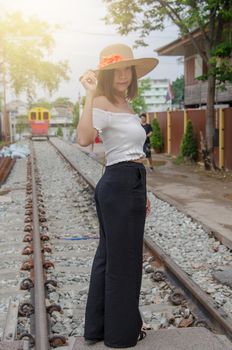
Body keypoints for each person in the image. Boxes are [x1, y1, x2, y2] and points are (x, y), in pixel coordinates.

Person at [77, 43, 158, 348]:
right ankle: (121, 335)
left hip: (130, 181)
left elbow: (133, 152)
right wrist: (88, 95)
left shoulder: (124, 102)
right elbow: (84, 139)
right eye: (117, 70)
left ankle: (96, 329)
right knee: (124, 261)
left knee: (109, 257)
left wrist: (144, 190)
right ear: (107, 74)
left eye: (128, 69)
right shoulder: (101, 101)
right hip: (119, 183)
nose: (124, 75)